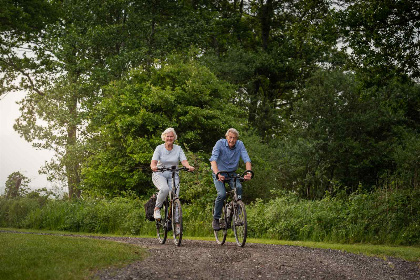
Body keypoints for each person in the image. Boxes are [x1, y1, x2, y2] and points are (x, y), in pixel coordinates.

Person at [209, 128, 252, 230]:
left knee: (239, 187)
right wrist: (217, 173)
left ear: (237, 139)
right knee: (222, 194)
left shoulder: (240, 144)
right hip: (219, 172)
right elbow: (213, 160)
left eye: (234, 138)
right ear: (226, 137)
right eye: (230, 137)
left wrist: (249, 172)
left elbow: (246, 159)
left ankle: (237, 215)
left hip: (232, 173)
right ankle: (216, 218)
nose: (232, 140)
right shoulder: (220, 144)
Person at [150, 127, 194, 219]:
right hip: (160, 173)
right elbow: (153, 162)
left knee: (175, 196)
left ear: (174, 138)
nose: (169, 138)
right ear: (164, 137)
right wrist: (154, 167)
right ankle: (157, 209)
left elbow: (184, 161)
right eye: (167, 136)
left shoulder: (178, 149)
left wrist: (188, 166)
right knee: (165, 189)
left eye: (171, 136)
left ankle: (176, 221)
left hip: (173, 174)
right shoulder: (159, 148)